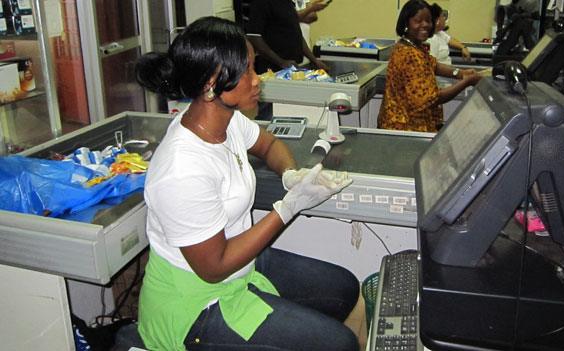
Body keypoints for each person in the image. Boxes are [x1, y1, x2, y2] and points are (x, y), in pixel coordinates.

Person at [134, 16, 359, 351]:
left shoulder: (228, 120)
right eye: (248, 71)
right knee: (339, 344)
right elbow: (214, 266)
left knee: (345, 287)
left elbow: (269, 145)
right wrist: (288, 207)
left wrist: (290, 174)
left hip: (238, 267)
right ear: (212, 83)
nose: (258, 80)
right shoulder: (181, 167)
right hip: (196, 304)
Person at [378, 0, 481, 132]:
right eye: (418, 20)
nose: (425, 25)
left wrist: (460, 73)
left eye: (428, 20)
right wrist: (467, 81)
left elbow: (433, 65)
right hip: (406, 128)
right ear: (406, 23)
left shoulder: (410, 45)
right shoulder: (409, 54)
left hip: (402, 123)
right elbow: (431, 99)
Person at [246, 0, 328, 73]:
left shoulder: (288, 3)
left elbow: (296, 34)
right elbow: (254, 37)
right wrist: (281, 62)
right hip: (273, 69)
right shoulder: (262, 2)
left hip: (292, 66)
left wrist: (314, 60)